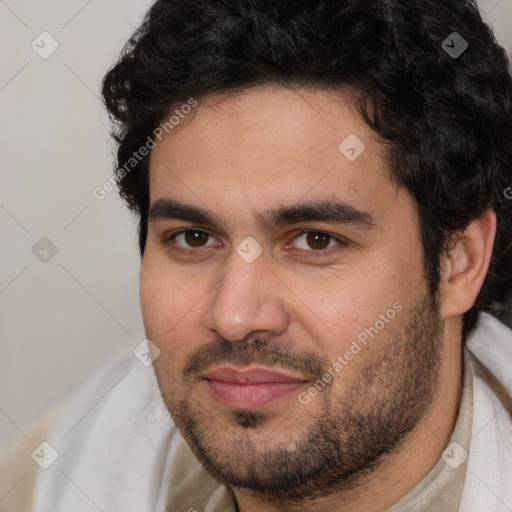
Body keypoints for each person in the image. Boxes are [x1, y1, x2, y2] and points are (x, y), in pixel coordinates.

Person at [1, 0, 512, 511]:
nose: (234, 317)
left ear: (458, 262)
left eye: (315, 240)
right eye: (194, 238)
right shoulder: (59, 470)